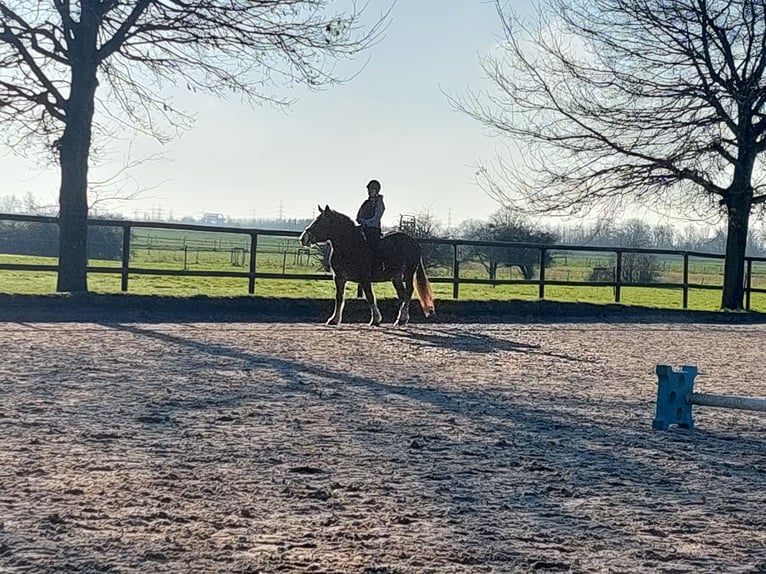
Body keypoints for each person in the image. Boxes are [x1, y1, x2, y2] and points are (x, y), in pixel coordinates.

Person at [356, 179, 385, 264]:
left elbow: (376, 218)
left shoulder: (379, 203)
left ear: (376, 190)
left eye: (371, 189)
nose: (369, 191)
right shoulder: (366, 203)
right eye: (368, 189)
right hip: (363, 228)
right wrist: (360, 219)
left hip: (373, 229)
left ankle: (378, 263)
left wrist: (365, 222)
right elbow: (359, 214)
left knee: (373, 245)